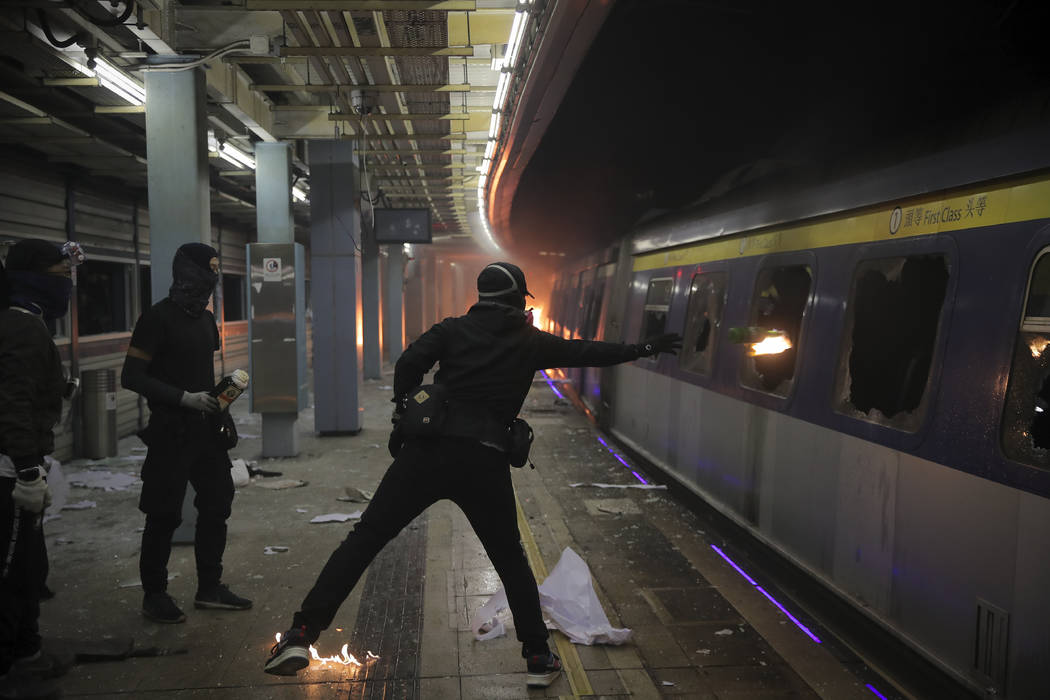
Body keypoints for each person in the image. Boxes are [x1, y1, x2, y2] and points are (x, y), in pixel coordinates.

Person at [265, 261, 681, 687]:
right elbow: (590, 351)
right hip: (484, 461)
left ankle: (301, 634)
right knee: (510, 560)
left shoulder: (451, 330)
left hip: (425, 455)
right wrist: (644, 348)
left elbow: (410, 362)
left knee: (364, 540)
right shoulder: (530, 342)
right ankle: (538, 658)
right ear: (519, 299)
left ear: (481, 297)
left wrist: (403, 406)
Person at [120, 242, 251, 624]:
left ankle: (210, 587)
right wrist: (182, 399)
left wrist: (221, 396)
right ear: (186, 273)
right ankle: (154, 594)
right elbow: (132, 376)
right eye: (205, 271)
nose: (210, 280)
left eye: (215, 272)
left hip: (206, 431)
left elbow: (199, 374)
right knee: (163, 513)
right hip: (169, 432)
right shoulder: (156, 319)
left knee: (217, 503)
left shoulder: (205, 320)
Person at [0, 239, 78, 700]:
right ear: (33, 278)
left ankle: (25, 649)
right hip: (11, 471)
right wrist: (28, 470)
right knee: (12, 572)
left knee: (30, 566)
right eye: (60, 275)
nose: (66, 286)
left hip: (20, 464)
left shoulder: (26, 324)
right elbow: (11, 403)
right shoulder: (22, 328)